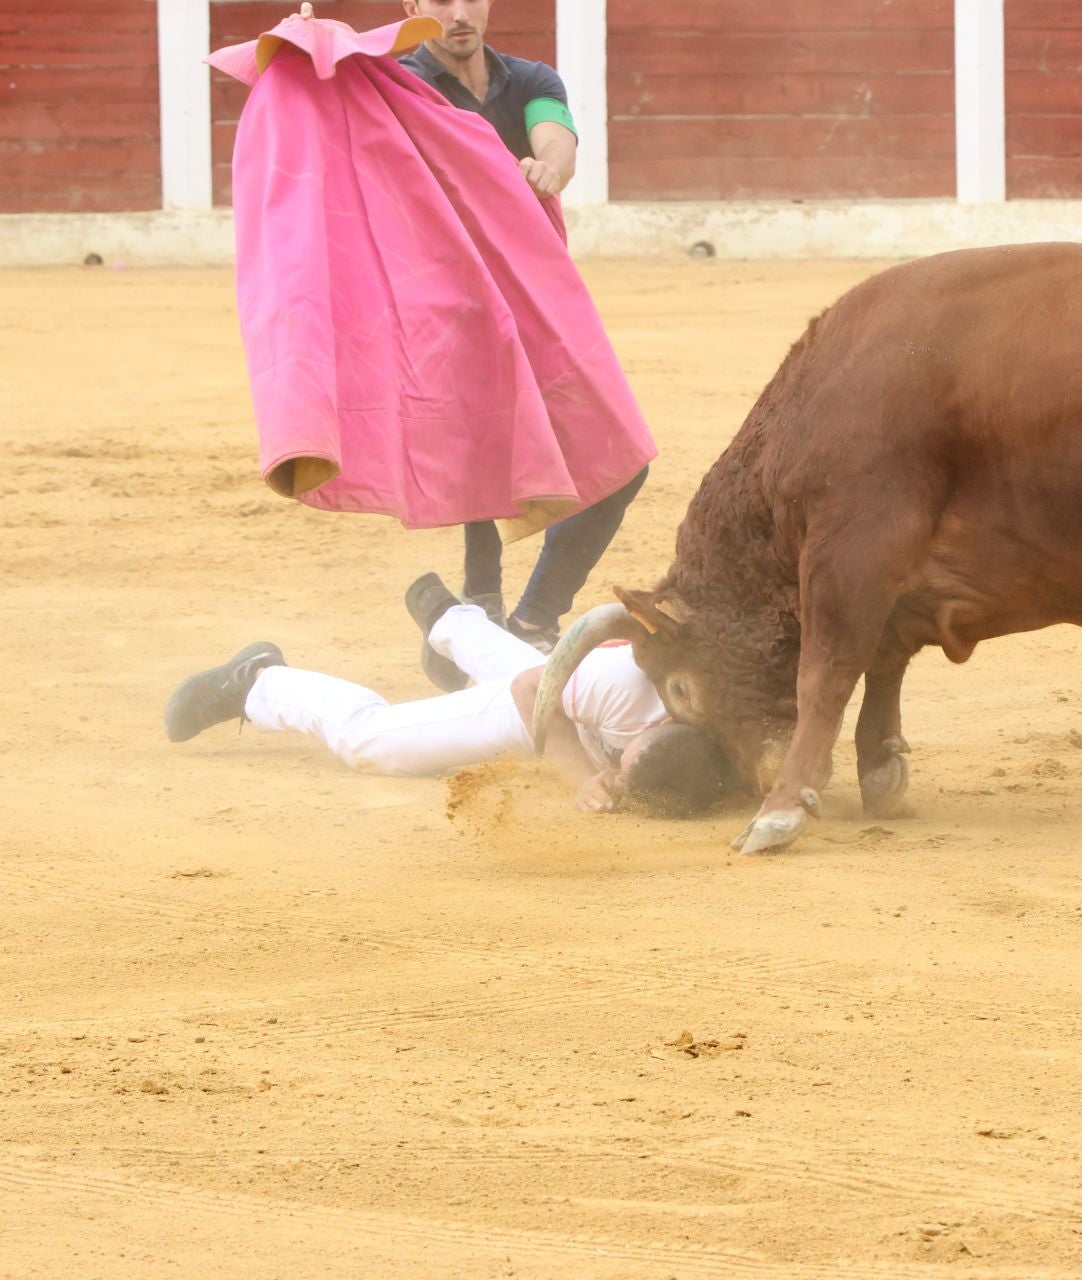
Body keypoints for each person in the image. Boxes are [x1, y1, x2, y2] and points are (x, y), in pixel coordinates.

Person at [398, 0, 647, 670]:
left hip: (537, 297)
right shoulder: (402, 85)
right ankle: (484, 603)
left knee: (622, 462)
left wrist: (548, 169)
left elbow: (556, 138)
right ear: (412, 7)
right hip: (448, 301)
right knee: (486, 442)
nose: (458, 13)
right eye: (439, 0)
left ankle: (530, 616)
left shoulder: (532, 79)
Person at [163, 573, 734, 817]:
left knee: (563, 683)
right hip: (545, 702)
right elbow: (532, 689)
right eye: (625, 766)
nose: (619, 782)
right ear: (662, 722)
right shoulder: (625, 689)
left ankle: (450, 621)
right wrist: (583, 777)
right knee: (372, 743)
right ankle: (258, 682)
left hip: (583, 697)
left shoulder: (737, 731)